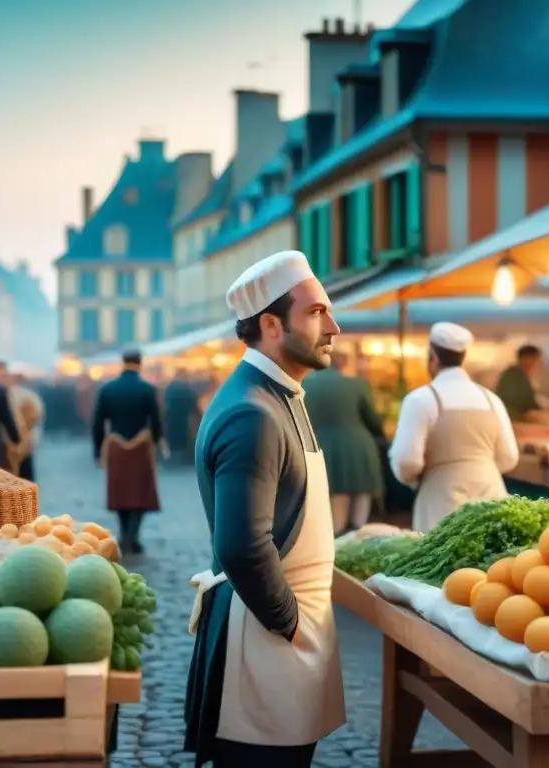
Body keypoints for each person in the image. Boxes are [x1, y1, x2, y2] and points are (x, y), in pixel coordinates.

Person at [185, 250, 345, 768]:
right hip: (265, 644)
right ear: (272, 324)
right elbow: (241, 546)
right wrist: (292, 623)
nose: (333, 326)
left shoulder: (278, 396)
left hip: (286, 638)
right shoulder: (253, 412)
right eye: (317, 312)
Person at [389, 322, 520, 532]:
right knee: (493, 561)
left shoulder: (420, 400)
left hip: (441, 496)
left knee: (446, 561)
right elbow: (509, 457)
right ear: (463, 357)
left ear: (433, 357)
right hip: (491, 493)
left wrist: (420, 479)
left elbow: (407, 462)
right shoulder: (491, 399)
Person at [92, 349, 166, 554]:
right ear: (139, 363)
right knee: (140, 492)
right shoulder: (148, 389)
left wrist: (98, 451)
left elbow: (98, 423)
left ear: (122, 362)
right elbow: (157, 421)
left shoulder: (107, 389)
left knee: (120, 492)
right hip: (141, 447)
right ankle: (132, 535)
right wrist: (157, 441)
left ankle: (125, 533)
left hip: (115, 445)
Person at [302, 350, 384, 535]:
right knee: (360, 507)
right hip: (359, 448)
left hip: (320, 449)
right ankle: (358, 535)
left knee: (334, 507)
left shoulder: (303, 385)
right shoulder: (356, 384)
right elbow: (373, 421)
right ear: (342, 364)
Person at [0, 361, 45, 481]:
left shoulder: (26, 396)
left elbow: (36, 421)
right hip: (1, 452)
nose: (1, 380)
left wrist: (29, 443)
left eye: (3, 376)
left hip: (23, 449)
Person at [495, 344, 549, 424]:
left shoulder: (523, 375)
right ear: (526, 359)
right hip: (512, 416)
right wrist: (541, 409)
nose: (536, 363)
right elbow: (519, 400)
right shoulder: (513, 376)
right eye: (535, 359)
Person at [164, 369, 200, 465]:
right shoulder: (189, 391)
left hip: (172, 419)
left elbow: (165, 404)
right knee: (182, 439)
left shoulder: (169, 389)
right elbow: (195, 408)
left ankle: (175, 459)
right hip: (183, 420)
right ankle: (182, 459)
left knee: (174, 440)